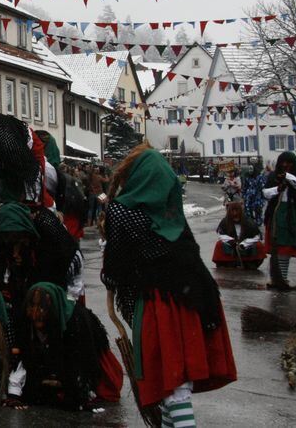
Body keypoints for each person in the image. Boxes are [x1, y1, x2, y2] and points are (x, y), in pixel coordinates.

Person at [102, 144, 236, 427]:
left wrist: (111, 280)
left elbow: (117, 262)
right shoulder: (169, 210)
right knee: (174, 383)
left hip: (160, 302)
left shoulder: (123, 210)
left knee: (173, 383)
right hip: (197, 299)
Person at [9, 283, 122, 411]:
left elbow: (84, 360)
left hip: (75, 358)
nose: (35, 313)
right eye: (32, 306)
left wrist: (81, 392)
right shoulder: (27, 320)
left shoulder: (76, 320)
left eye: (41, 308)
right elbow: (24, 356)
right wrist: (14, 394)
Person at [262, 151, 296, 290]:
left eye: (288, 162)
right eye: (283, 162)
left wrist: (288, 177)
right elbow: (265, 193)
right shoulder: (273, 176)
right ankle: (281, 279)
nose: (285, 165)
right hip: (280, 214)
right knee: (281, 249)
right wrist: (278, 188)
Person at [212, 201, 265, 269]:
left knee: (259, 245)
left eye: (237, 211)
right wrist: (232, 242)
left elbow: (256, 237)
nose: (235, 213)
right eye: (233, 211)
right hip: (231, 245)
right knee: (219, 244)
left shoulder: (249, 222)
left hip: (246, 245)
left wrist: (244, 244)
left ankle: (251, 263)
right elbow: (221, 234)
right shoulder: (225, 222)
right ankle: (225, 263)